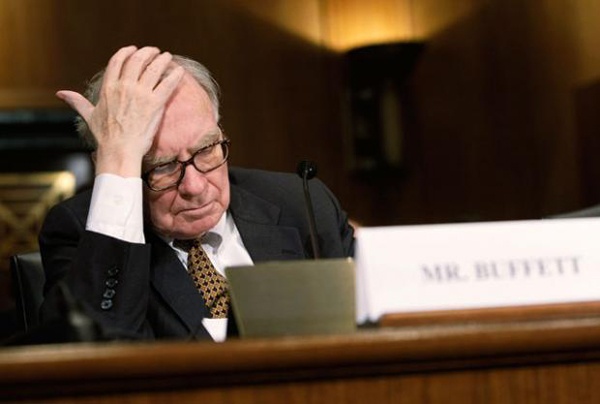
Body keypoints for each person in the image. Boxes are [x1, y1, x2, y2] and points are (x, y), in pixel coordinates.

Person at [38, 46, 355, 342]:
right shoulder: (81, 231)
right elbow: (95, 353)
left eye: (205, 149)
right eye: (163, 166)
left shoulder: (303, 203)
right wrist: (119, 155)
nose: (195, 186)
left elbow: (367, 324)